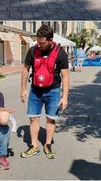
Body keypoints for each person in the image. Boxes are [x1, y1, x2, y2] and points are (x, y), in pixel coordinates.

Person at [20, 24, 69, 159]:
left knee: (50, 119)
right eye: (38, 41)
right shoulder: (32, 51)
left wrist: (65, 97)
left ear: (50, 40)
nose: (39, 45)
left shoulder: (61, 53)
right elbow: (25, 69)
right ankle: (34, 146)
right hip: (35, 90)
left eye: (42, 43)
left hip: (53, 91)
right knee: (33, 118)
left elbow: (65, 77)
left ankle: (47, 145)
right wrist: (23, 88)